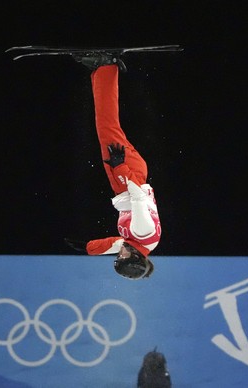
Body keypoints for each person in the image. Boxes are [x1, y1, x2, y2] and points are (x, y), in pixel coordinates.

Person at [65, 53, 162, 280]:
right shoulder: (142, 232)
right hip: (128, 175)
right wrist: (119, 168)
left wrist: (88, 248)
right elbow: (137, 195)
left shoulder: (136, 243)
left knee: (105, 124)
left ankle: (102, 71)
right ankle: (107, 66)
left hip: (126, 177)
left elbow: (112, 244)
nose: (118, 253)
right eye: (121, 257)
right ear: (134, 257)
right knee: (107, 123)